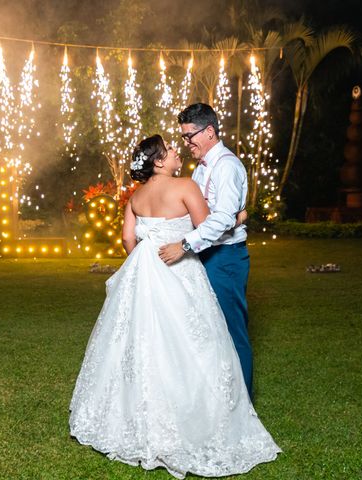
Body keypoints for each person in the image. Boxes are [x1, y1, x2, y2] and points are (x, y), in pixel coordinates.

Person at [69, 134, 280, 479]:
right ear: (158, 162)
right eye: (169, 151)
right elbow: (207, 226)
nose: (176, 153)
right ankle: (200, 416)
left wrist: (144, 262)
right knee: (195, 343)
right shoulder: (185, 187)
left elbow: (127, 239)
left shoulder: (135, 197)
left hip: (144, 272)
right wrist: (239, 217)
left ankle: (140, 418)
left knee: (142, 344)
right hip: (181, 272)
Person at [159, 103, 254, 398]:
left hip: (225, 258)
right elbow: (199, 213)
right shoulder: (200, 170)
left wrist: (184, 245)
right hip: (205, 256)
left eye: (190, 136)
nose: (186, 144)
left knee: (231, 330)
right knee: (207, 329)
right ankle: (216, 398)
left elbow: (223, 218)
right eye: (184, 137)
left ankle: (242, 403)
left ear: (209, 131)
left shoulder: (227, 166)